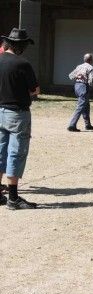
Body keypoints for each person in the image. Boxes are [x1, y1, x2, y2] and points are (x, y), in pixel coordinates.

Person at [0, 28, 40, 209]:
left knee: (0, 151)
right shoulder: (23, 64)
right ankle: (13, 197)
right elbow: (35, 91)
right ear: (20, 46)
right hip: (17, 113)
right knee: (16, 152)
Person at [68, 53, 93, 132]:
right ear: (91, 60)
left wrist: (78, 76)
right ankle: (72, 125)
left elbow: (70, 76)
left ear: (84, 59)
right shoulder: (90, 67)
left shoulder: (79, 66)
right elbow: (91, 81)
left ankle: (88, 125)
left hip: (77, 86)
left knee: (86, 105)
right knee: (80, 106)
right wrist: (87, 81)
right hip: (84, 87)